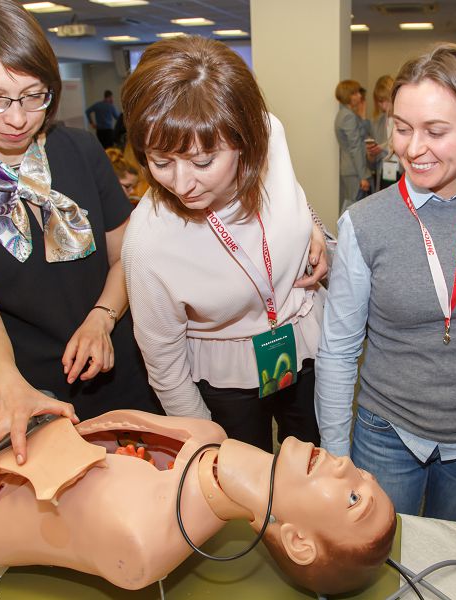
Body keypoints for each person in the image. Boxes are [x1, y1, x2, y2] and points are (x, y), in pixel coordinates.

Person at [0, 0, 159, 483]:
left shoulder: (80, 149)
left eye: (32, 96)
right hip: (32, 389)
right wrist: (7, 387)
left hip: (119, 359)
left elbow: (126, 257)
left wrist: (102, 317)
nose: (17, 118)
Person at [315, 43, 456, 537]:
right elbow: (338, 349)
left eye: (435, 131)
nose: (413, 148)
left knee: (448, 556)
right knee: (379, 557)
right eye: (402, 128)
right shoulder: (365, 223)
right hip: (387, 431)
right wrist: (337, 456)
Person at [120, 36, 327, 453]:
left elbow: (290, 190)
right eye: (161, 162)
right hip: (226, 382)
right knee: (247, 479)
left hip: (302, 345)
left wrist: (313, 225)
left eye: (202, 162)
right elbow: (166, 368)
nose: (182, 184)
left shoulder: (270, 132)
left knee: (312, 460)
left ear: (247, 140)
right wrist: (208, 450)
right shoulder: (147, 243)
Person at [0, 410, 397, 594]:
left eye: (353, 497)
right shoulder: (207, 435)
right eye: (364, 475)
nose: (347, 465)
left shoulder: (140, 542)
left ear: (299, 542)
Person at [334, 79, 371, 212]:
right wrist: (363, 176)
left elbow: (364, 133)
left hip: (351, 169)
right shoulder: (348, 116)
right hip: (354, 171)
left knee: (352, 206)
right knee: (354, 208)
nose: (360, 96)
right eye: (355, 93)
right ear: (347, 95)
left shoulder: (347, 114)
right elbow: (355, 147)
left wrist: (362, 115)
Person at [367, 75, 399, 191]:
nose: (383, 105)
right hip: (383, 175)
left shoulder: (406, 121)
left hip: (403, 174)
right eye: (380, 101)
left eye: (386, 100)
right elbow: (371, 165)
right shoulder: (375, 123)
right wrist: (371, 154)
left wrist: (384, 148)